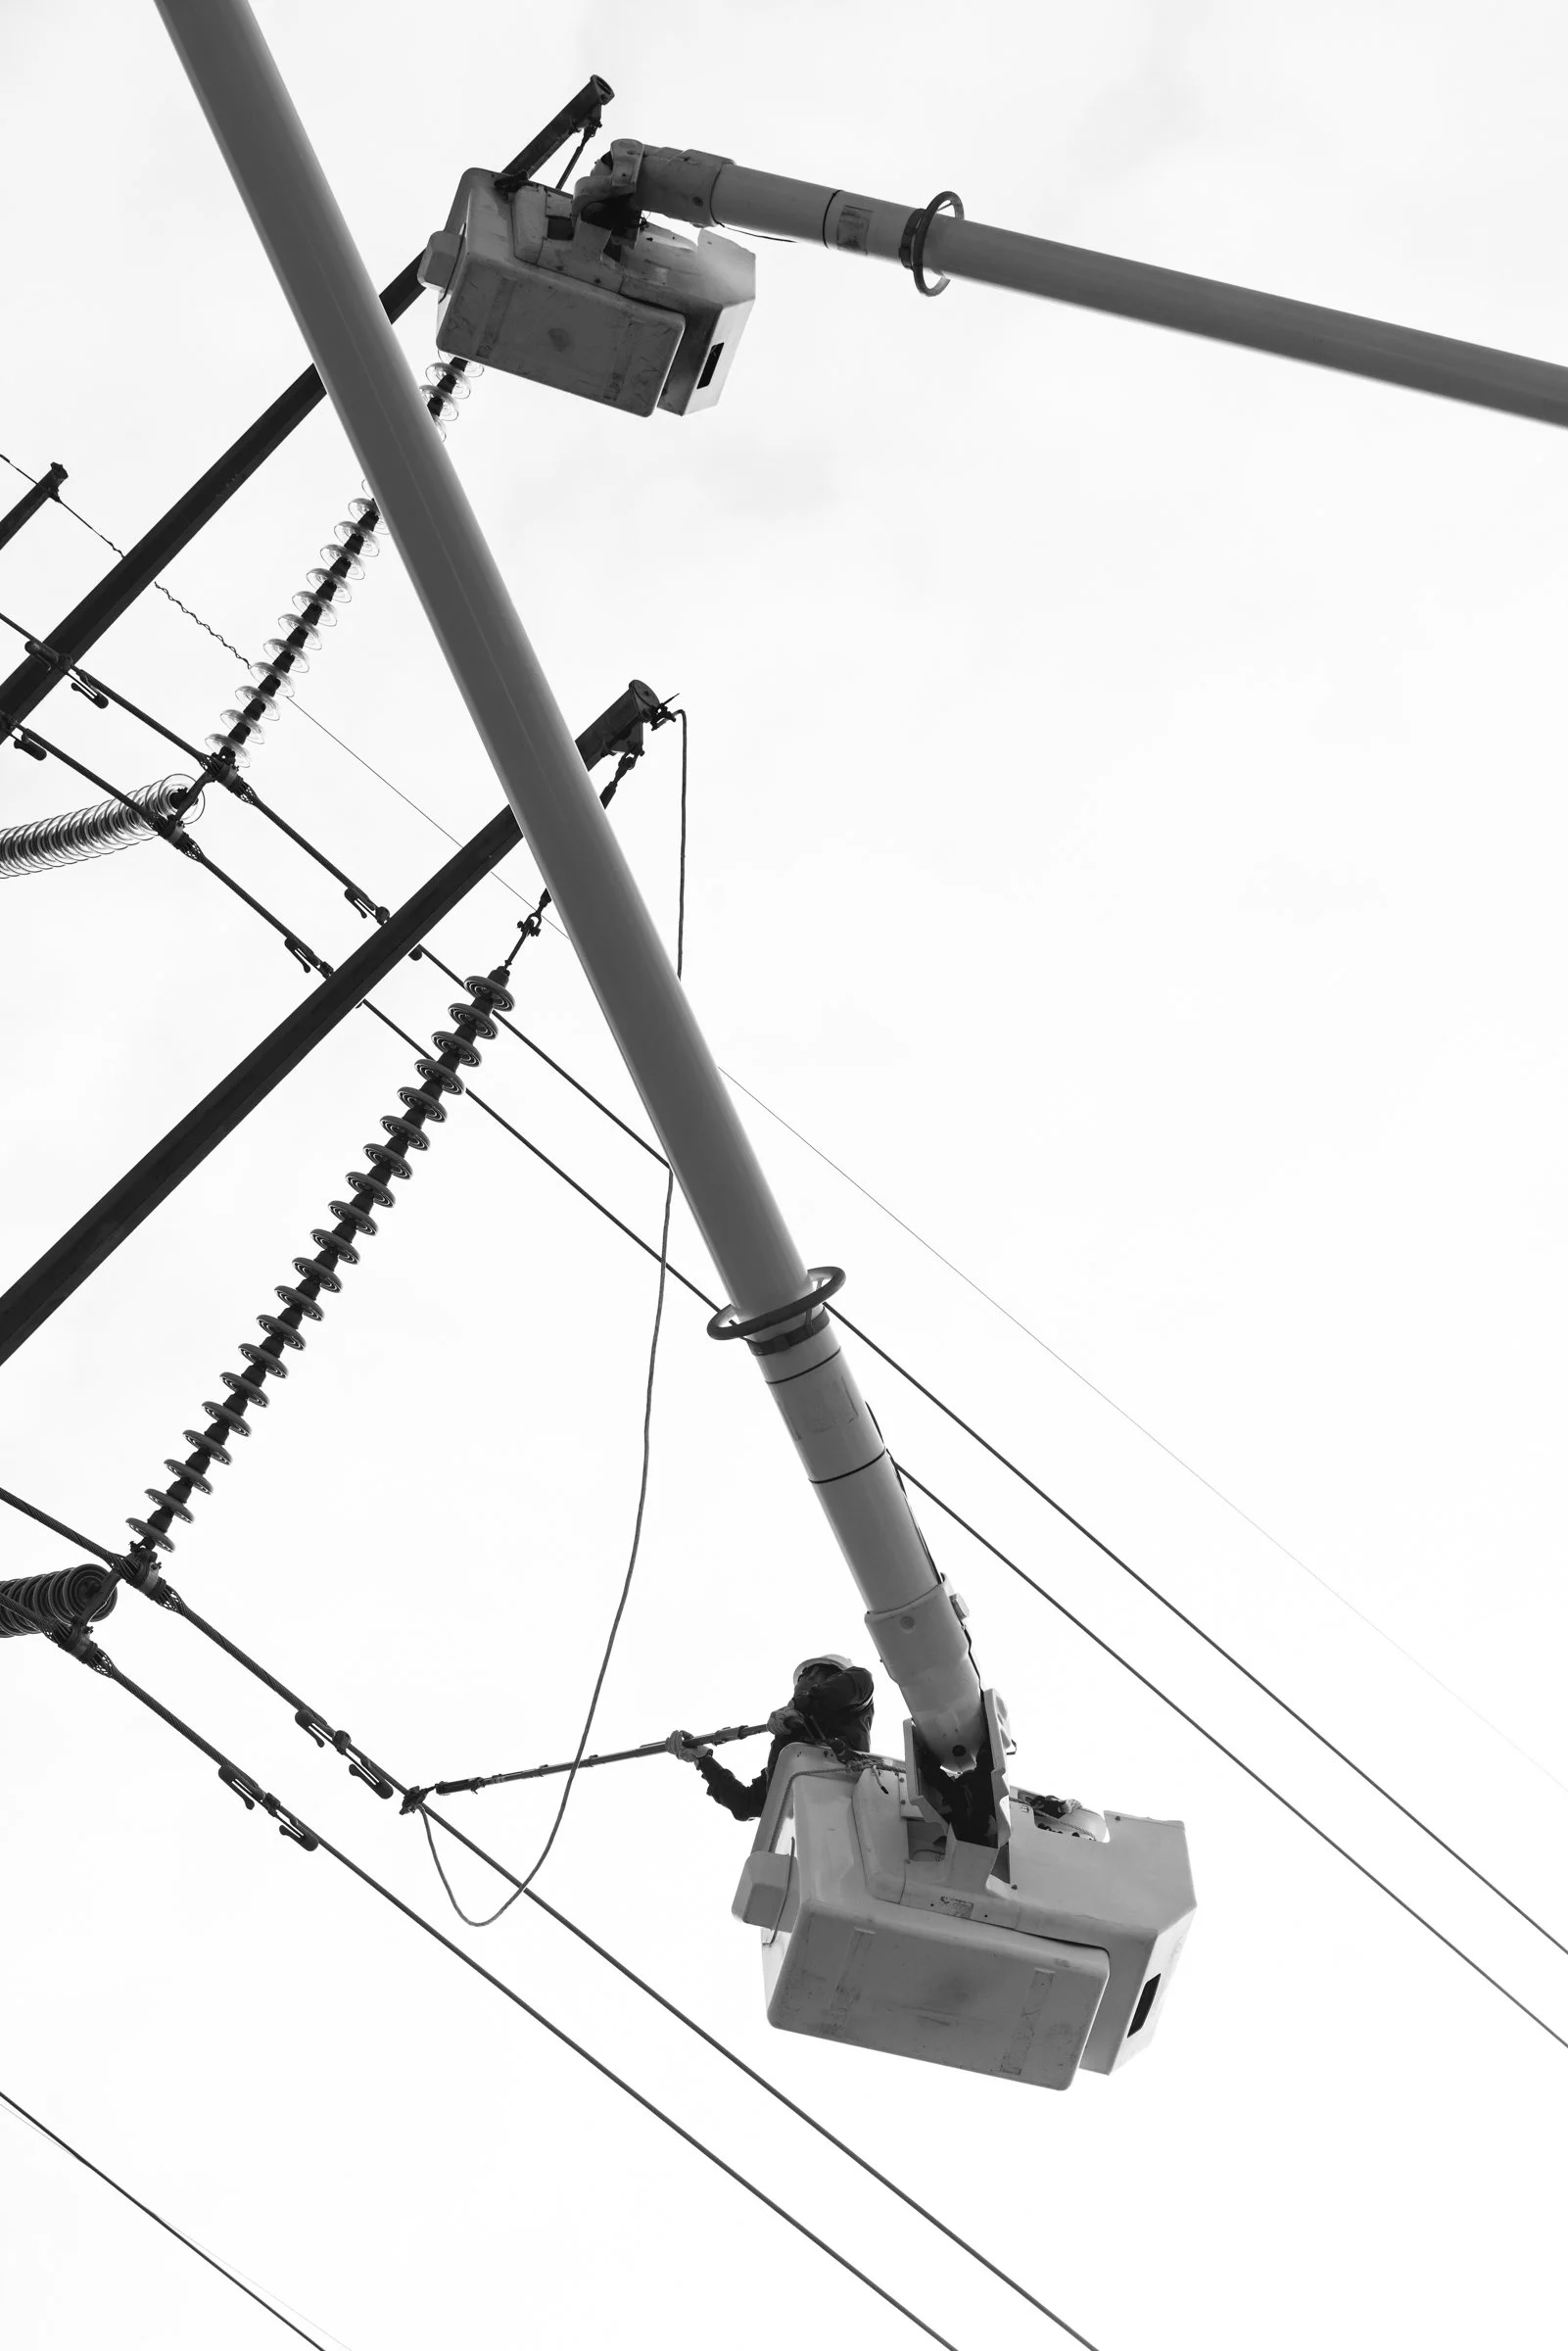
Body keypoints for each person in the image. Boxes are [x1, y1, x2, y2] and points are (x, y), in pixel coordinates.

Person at [669, 1655, 875, 1821]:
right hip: (817, 1823)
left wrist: (798, 1707)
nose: (800, 1685)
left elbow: (856, 1682)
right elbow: (745, 1804)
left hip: (846, 1793)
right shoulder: (790, 1746)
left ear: (819, 1675)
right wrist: (703, 1759)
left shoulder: (855, 1698)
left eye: (807, 1677)